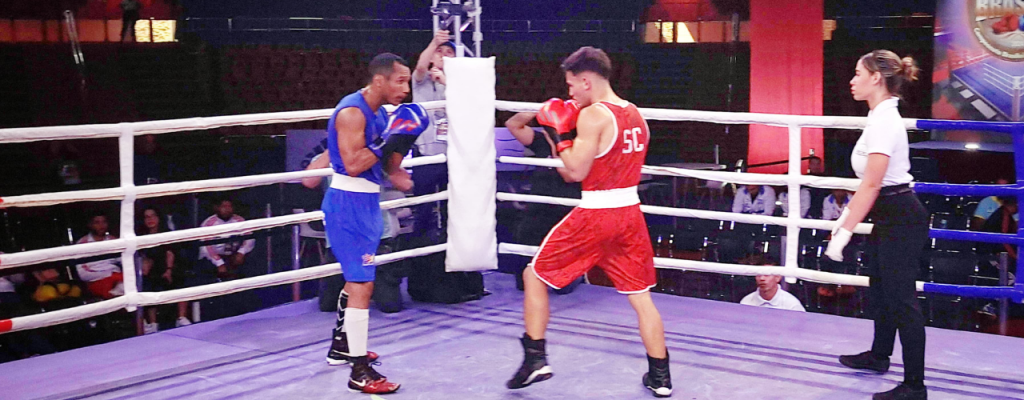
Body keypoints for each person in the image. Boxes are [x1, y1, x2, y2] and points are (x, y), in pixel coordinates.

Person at [507, 47, 672, 397]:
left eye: (571, 85)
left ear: (586, 80)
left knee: (533, 275)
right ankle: (661, 377)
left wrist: (559, 134)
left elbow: (576, 172)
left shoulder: (593, 115)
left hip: (597, 214)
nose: (569, 93)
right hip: (630, 213)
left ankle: (535, 359)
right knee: (641, 297)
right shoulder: (635, 113)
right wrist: (562, 141)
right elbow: (585, 169)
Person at [825, 50, 928, 400]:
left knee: (902, 300)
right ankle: (879, 355)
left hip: (900, 214)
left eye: (858, 73)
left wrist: (844, 233)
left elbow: (872, 184)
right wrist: (844, 219)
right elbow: (868, 185)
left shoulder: (885, 122)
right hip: (889, 212)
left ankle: (915, 386)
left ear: (876, 78)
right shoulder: (878, 117)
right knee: (881, 291)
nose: (852, 80)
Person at [321, 52, 426, 394]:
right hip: (348, 205)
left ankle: (342, 347)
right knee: (362, 284)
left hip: (366, 204)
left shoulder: (380, 113)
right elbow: (353, 164)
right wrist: (389, 139)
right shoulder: (352, 112)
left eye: (407, 81)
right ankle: (359, 371)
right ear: (378, 80)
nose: (406, 89)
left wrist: (399, 154)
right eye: (400, 81)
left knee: (356, 280)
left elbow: (382, 164)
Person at [504, 111, 583, 293]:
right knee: (523, 282)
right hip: (538, 207)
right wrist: (540, 109)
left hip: (566, 210)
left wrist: (557, 145)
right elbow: (513, 124)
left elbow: (570, 176)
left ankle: (571, 276)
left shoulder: (581, 146)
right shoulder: (541, 142)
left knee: (563, 287)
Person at [137, 207, 192, 333]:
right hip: (150, 269)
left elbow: (170, 253)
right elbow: (141, 257)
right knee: (147, 282)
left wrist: (168, 270)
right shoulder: (141, 237)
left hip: (168, 266)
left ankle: (181, 317)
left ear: (159, 217)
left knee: (180, 276)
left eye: (153, 215)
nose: (150, 219)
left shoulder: (167, 233)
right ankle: (153, 323)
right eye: (146, 217)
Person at [197, 197, 254, 281]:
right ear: (217, 208)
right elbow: (206, 247)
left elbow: (250, 238)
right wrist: (219, 263)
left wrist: (241, 252)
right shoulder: (209, 224)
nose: (227, 209)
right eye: (224, 206)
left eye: (229, 206)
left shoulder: (239, 220)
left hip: (234, 256)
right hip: (213, 258)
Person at [75, 212, 124, 299]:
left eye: (104, 222)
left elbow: (125, 260)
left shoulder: (113, 241)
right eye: (97, 222)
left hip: (118, 277)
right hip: (96, 281)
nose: (101, 226)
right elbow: (82, 275)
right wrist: (110, 274)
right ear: (90, 225)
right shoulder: (82, 244)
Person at [738, 255, 805, 312]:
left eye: (767, 275)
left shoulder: (792, 305)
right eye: (759, 275)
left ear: (778, 277)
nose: (762, 278)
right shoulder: (746, 302)